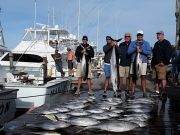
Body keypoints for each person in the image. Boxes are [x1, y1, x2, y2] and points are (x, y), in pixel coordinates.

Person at [128, 30, 151, 98]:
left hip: (143, 62)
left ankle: (144, 92)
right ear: (137, 36)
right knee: (134, 77)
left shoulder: (146, 43)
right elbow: (128, 52)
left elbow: (149, 52)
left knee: (143, 77)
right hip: (134, 62)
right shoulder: (133, 43)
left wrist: (142, 51)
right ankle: (133, 92)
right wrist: (135, 49)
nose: (139, 36)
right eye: (138, 35)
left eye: (141, 35)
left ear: (143, 36)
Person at [151, 31, 173, 97]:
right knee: (155, 78)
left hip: (162, 64)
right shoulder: (156, 43)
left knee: (162, 78)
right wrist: (152, 63)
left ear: (163, 35)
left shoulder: (166, 43)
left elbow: (169, 53)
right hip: (154, 64)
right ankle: (157, 91)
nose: (158, 36)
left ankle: (163, 92)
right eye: (157, 35)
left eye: (159, 35)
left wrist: (164, 62)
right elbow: (154, 54)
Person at [118, 32, 131, 97]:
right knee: (120, 77)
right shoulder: (121, 44)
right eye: (126, 37)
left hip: (129, 63)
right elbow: (118, 53)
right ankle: (119, 90)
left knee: (128, 78)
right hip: (122, 63)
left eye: (128, 37)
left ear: (130, 37)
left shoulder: (132, 44)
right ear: (124, 37)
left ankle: (127, 90)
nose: (127, 38)